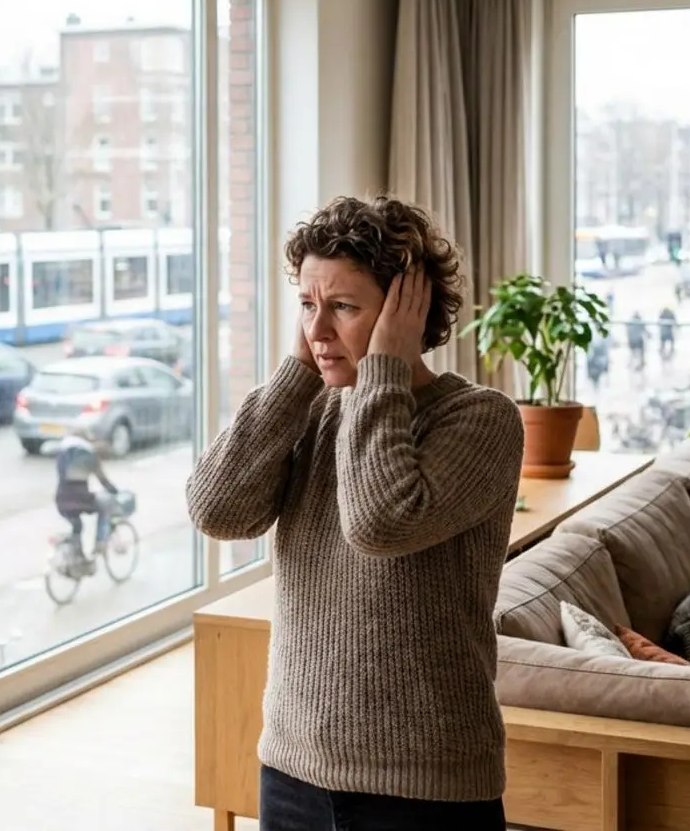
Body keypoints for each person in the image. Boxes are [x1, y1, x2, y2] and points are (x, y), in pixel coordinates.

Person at [186, 195, 524, 830]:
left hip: (427, 785)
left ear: (408, 314)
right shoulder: (312, 408)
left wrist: (383, 373)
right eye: (309, 306)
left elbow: (379, 521)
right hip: (292, 770)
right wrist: (297, 376)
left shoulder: (481, 419)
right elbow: (217, 509)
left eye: (342, 306)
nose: (318, 330)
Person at [53, 429, 119, 578]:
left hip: (61, 500)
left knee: (77, 525)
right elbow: (104, 481)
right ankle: (100, 543)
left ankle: (79, 559)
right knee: (104, 506)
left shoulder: (62, 453)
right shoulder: (89, 455)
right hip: (80, 499)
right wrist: (115, 492)